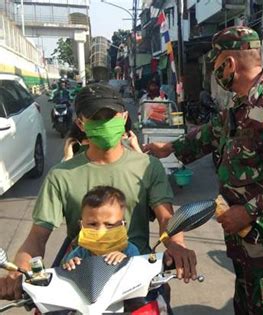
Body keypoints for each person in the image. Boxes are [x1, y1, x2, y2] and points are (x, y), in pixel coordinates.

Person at [144, 26, 263, 314]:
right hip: (246, 242)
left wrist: (247, 211)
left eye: (216, 65)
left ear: (230, 64)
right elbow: (210, 133)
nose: (216, 72)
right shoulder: (241, 105)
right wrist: (170, 149)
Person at [0, 84, 197, 301]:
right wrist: (17, 271)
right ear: (81, 123)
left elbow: (166, 218)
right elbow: (37, 237)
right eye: (96, 118)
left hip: (138, 277)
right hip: (78, 278)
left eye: (109, 116)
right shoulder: (61, 175)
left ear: (123, 118)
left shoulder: (149, 167)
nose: (104, 123)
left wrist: (177, 246)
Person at [62, 186, 140, 270]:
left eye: (109, 224)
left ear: (122, 225)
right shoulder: (79, 253)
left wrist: (127, 262)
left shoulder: (130, 251)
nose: (100, 230)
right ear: (81, 225)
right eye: (93, 224)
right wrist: (71, 266)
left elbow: (139, 274)